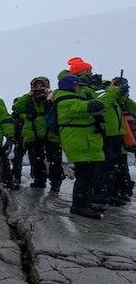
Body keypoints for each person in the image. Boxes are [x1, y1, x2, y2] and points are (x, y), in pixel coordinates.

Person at [55, 74, 120, 218]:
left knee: (89, 175)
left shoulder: (70, 100)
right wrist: (112, 91)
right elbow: (97, 106)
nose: (80, 88)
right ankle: (79, 206)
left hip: (84, 142)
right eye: (78, 85)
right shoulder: (67, 101)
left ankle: (85, 202)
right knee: (85, 175)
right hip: (80, 143)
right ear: (71, 86)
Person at [13, 77, 64, 191]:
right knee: (35, 159)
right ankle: (39, 180)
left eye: (41, 86)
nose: (38, 89)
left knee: (55, 159)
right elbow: (17, 108)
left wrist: (50, 94)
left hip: (51, 132)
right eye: (36, 86)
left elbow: (60, 104)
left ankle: (55, 182)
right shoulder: (28, 100)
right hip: (33, 133)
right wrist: (28, 95)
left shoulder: (52, 98)